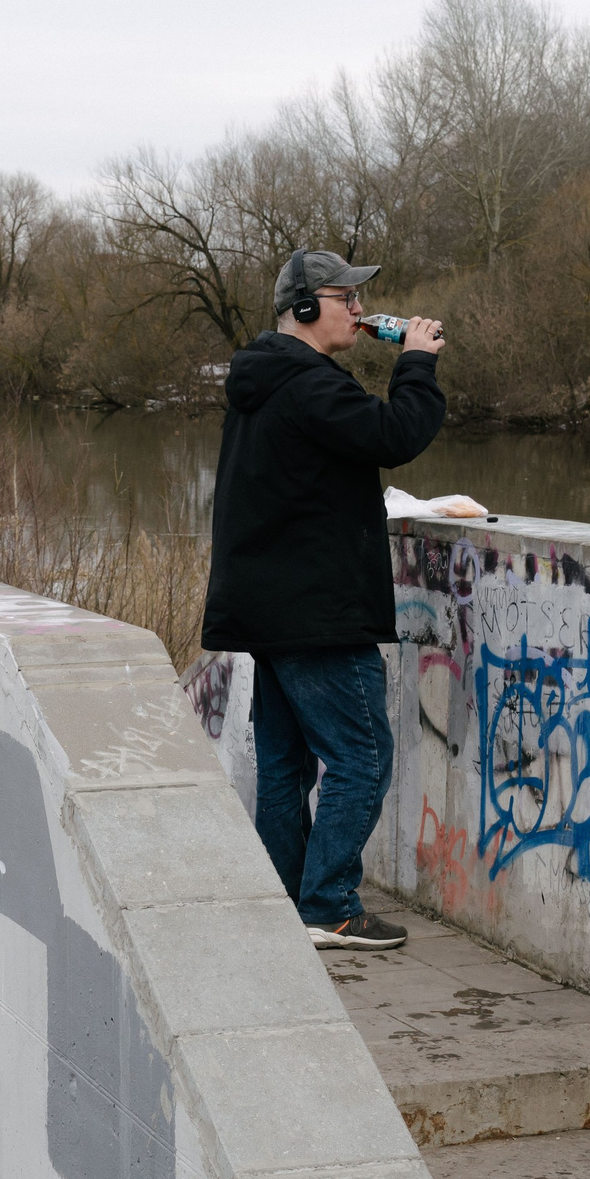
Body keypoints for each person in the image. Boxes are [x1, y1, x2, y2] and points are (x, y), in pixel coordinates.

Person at [202, 250, 446, 952]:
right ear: (306, 308)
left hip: (268, 610)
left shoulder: (266, 379)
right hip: (316, 612)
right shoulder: (307, 384)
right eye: (347, 298)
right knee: (363, 758)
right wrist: (419, 361)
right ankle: (330, 905)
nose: (360, 311)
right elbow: (394, 436)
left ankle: (287, 897)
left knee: (285, 765)